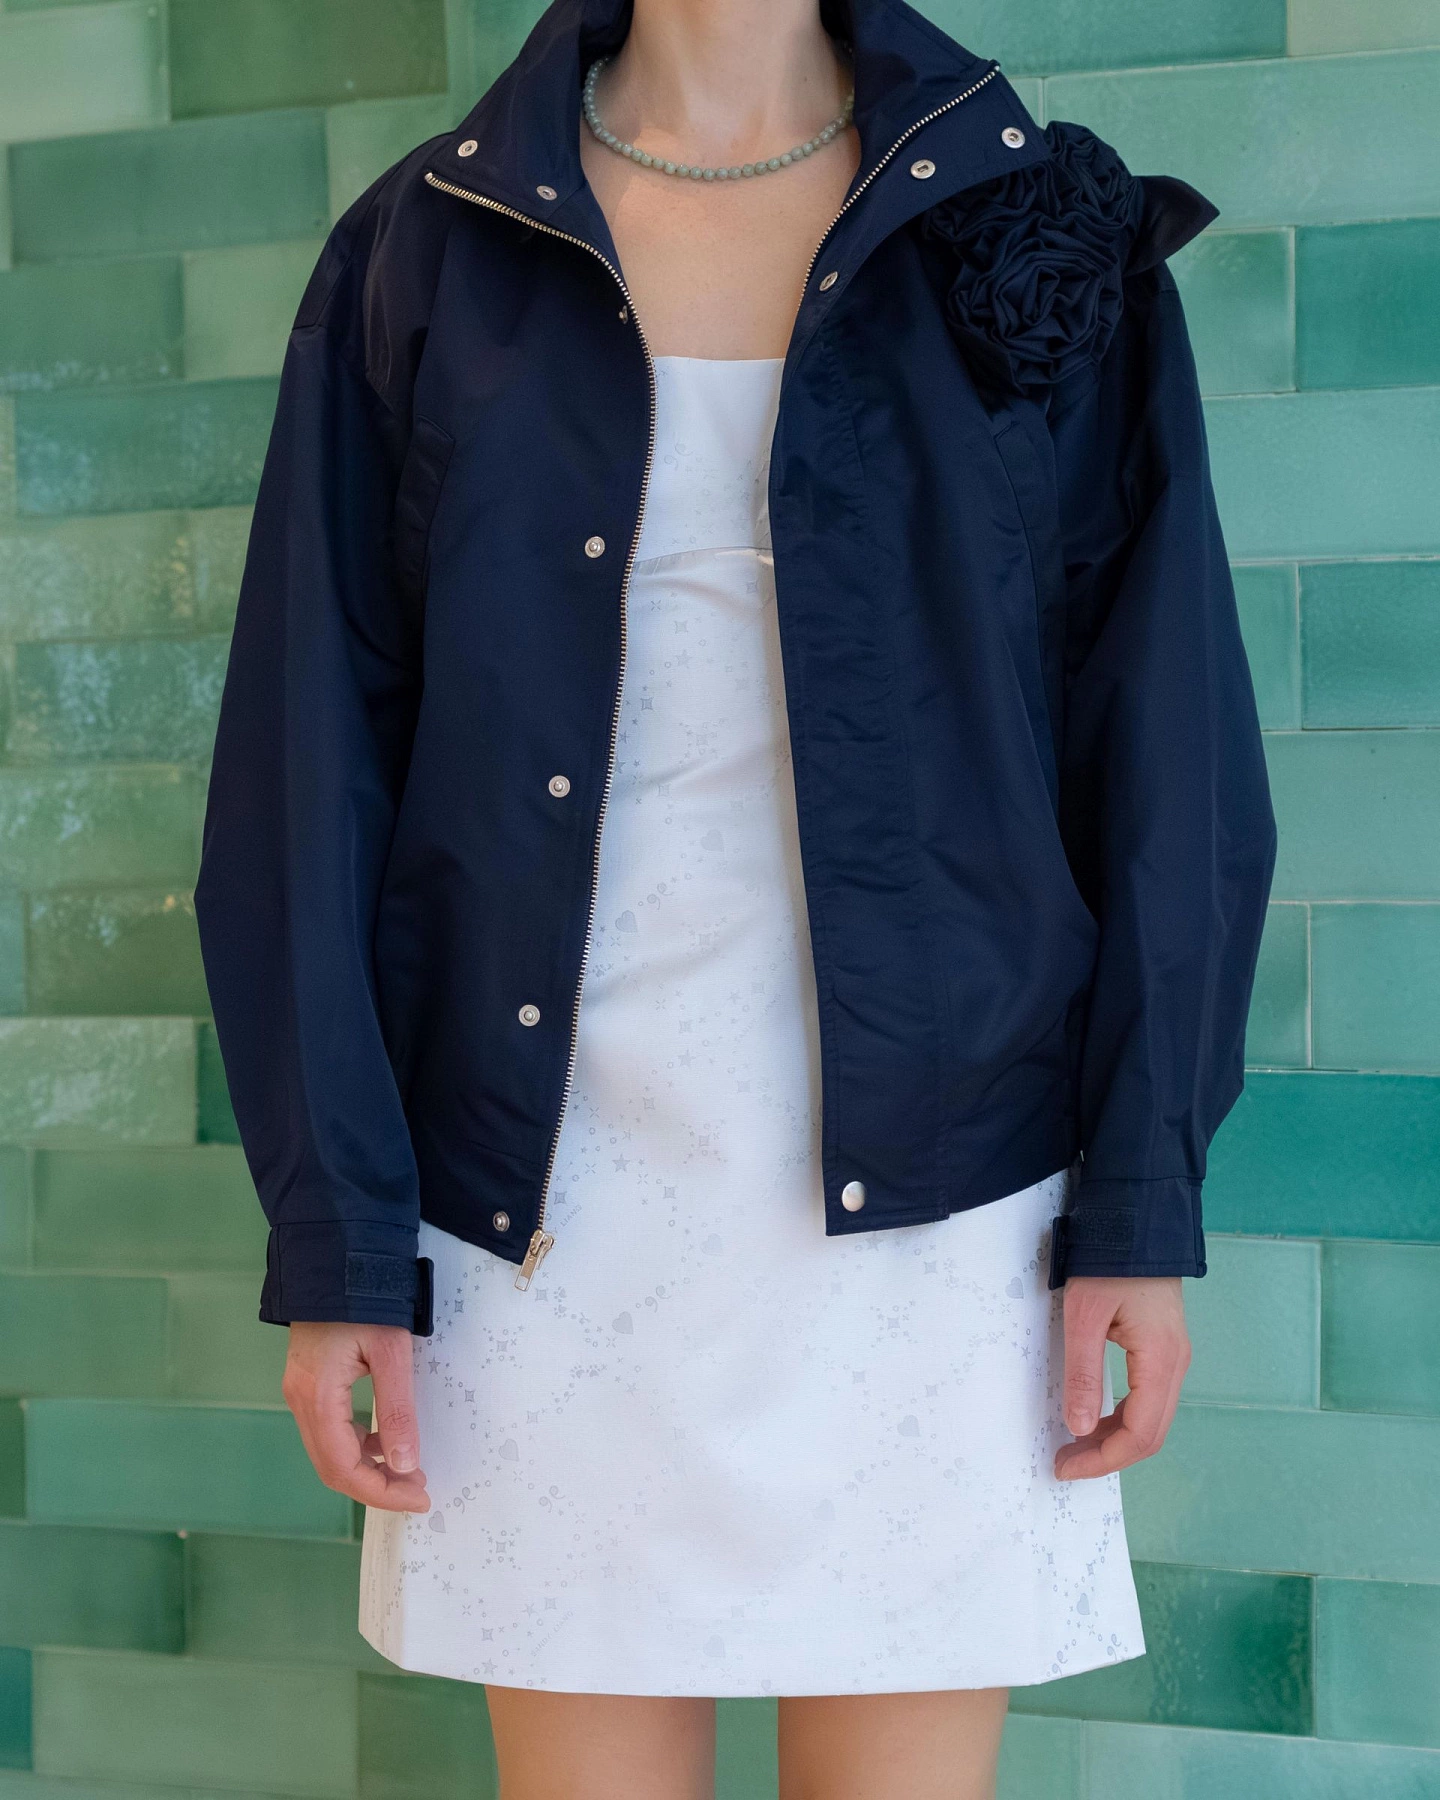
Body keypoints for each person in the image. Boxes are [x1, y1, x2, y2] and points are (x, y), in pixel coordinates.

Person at [193, 0, 1277, 1792]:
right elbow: (305, 780)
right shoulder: (426, 249)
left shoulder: (1021, 221)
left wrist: (1141, 1202)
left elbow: (1167, 747)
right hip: (536, 1211)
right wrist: (340, 1242)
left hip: (949, 1213)